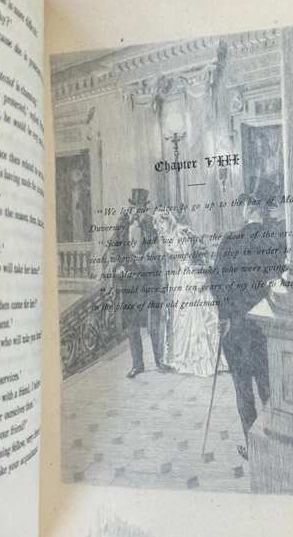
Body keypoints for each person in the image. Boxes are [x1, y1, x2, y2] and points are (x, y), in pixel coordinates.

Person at [210, 189, 280, 459]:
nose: (242, 208)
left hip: (238, 328)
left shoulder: (231, 241)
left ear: (251, 207)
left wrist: (224, 316)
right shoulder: (274, 240)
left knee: (243, 390)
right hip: (266, 328)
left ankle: (254, 449)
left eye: (244, 204)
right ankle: (276, 444)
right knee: (268, 387)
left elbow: (217, 282)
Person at [153, 209, 220, 377]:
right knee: (177, 319)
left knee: (189, 317)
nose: (160, 226)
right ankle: (178, 357)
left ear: (169, 220)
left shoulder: (181, 234)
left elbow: (192, 253)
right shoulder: (163, 239)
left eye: (162, 222)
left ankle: (192, 359)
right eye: (158, 224)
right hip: (174, 281)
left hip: (186, 277)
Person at [111, 188, 163, 378]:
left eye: (140, 208)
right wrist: (118, 266)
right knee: (132, 325)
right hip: (129, 282)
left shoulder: (151, 223)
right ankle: (137, 364)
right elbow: (114, 249)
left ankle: (159, 360)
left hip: (148, 280)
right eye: (134, 207)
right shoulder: (122, 223)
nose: (137, 211)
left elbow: (158, 248)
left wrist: (149, 255)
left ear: (144, 208)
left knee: (153, 323)